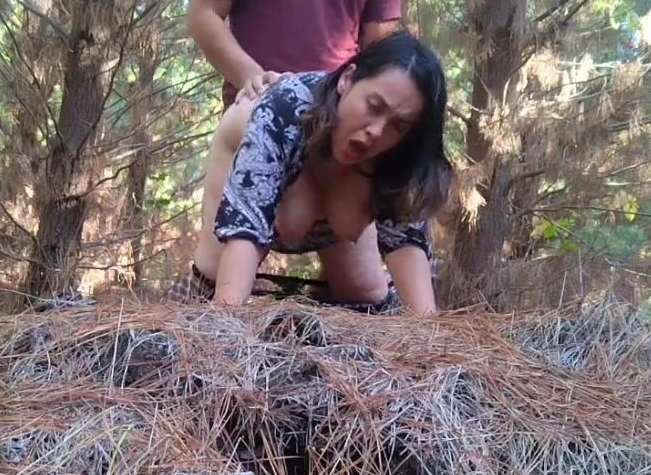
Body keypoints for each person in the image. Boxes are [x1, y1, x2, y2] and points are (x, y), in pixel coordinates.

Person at [169, 31, 453, 315]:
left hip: (329, 206)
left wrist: (428, 331)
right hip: (252, 182)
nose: (377, 131)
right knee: (218, 284)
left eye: (399, 126)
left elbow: (410, 257)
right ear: (347, 79)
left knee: (365, 294)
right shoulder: (282, 110)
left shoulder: (399, 153)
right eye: (374, 106)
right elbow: (245, 229)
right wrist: (226, 320)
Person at [186, 0, 403, 109]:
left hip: (334, 120)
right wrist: (254, 79)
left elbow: (380, 48)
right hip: (254, 112)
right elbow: (203, 14)